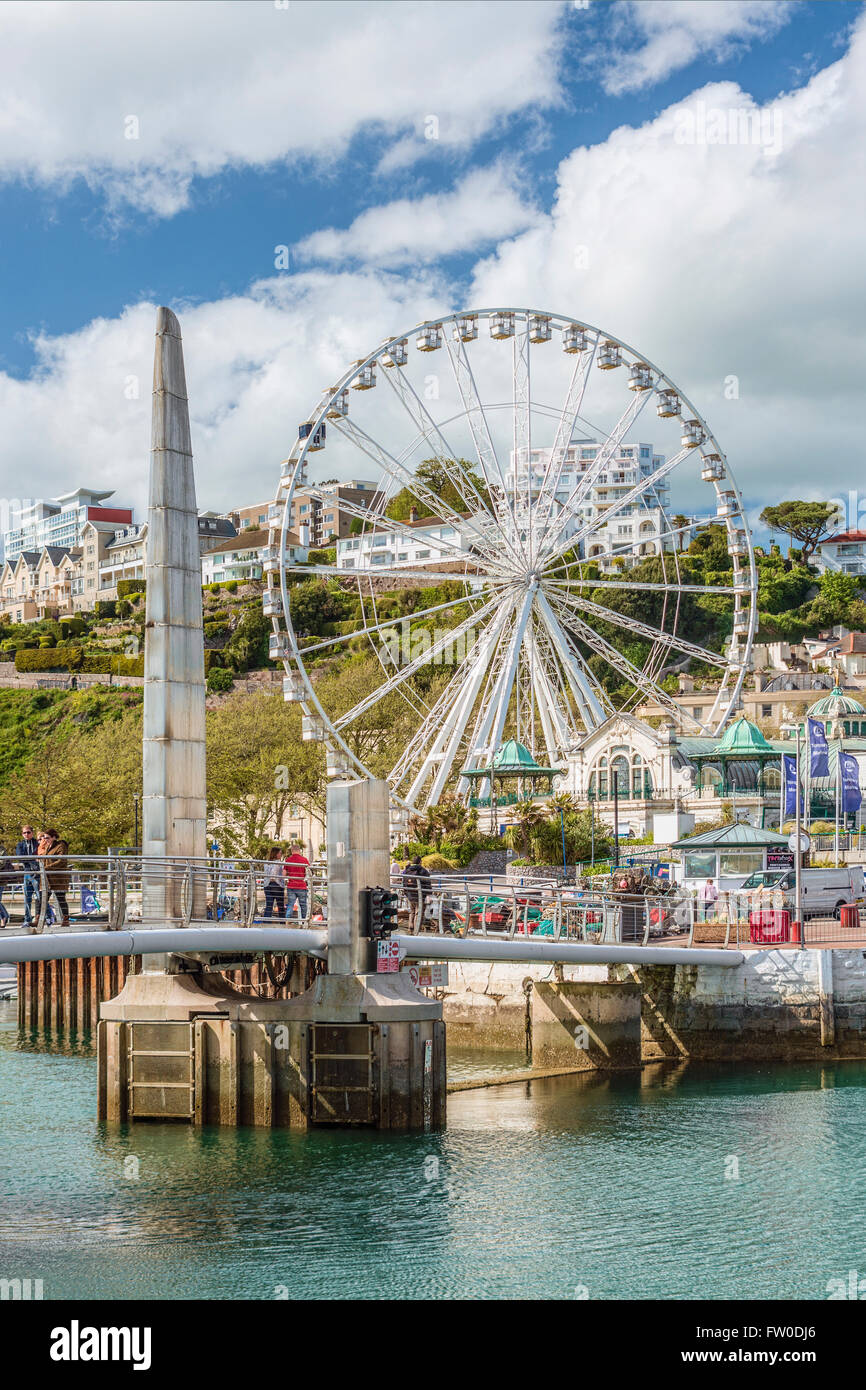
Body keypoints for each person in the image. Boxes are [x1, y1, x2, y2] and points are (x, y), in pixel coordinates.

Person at [40, 828, 70, 926]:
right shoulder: (47, 846)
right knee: (42, 899)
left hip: (58, 878)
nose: (45, 839)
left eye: (47, 838)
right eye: (44, 838)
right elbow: (43, 858)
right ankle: (42, 919)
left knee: (60, 898)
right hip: (48, 878)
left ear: (53, 837)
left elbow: (62, 861)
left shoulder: (61, 845)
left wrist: (47, 868)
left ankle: (66, 919)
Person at [14, 823, 41, 926]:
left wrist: (29, 858)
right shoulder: (20, 844)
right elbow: (20, 857)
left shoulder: (37, 843)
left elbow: (39, 854)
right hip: (27, 873)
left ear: (32, 833)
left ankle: (45, 918)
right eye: (24, 833)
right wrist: (32, 859)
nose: (26, 834)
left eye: (28, 832)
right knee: (27, 898)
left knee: (40, 897)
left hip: (37, 873)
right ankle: (27, 919)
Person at [402, 855, 432, 933]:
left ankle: (410, 928)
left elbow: (403, 881)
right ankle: (416, 930)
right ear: (420, 862)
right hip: (420, 895)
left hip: (410, 894)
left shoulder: (408, 870)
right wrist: (429, 894)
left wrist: (406, 893)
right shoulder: (423, 871)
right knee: (418, 912)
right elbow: (428, 883)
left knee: (412, 911)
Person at [283, 841, 310, 920]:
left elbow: (284, 874)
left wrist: (289, 874)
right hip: (302, 885)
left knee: (290, 904)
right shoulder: (304, 860)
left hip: (291, 885)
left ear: (292, 851)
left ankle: (287, 922)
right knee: (303, 905)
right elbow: (309, 873)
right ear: (299, 850)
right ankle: (305, 921)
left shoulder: (288, 860)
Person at [262, 847, 285, 919]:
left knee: (269, 906)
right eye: (280, 853)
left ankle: (266, 922)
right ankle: (282, 922)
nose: (281, 855)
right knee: (280, 906)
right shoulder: (278, 863)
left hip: (267, 885)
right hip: (277, 885)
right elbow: (275, 874)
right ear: (276, 854)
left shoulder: (266, 863)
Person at [0, 846, 12, 926]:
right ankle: (4, 916)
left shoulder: (2, 849)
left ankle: (3, 917)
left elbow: (2, 863)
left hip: (1, 878)